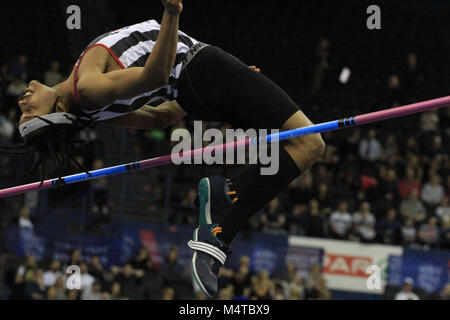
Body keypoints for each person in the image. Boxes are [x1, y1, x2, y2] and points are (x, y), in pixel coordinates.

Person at [8, 0, 325, 297]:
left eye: (23, 109)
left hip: (199, 88)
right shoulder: (88, 89)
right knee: (310, 142)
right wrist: (172, 11)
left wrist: (235, 88)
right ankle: (220, 227)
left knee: (300, 144)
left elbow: (161, 117)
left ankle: (223, 203)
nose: (23, 100)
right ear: (56, 111)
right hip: (200, 68)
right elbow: (156, 76)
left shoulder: (90, 110)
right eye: (29, 112)